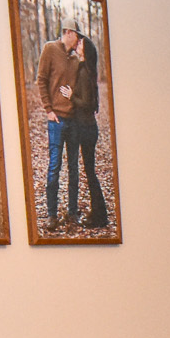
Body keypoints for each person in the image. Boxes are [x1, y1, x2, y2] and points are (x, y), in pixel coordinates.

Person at [63, 33, 110, 229]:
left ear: (86, 50)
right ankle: (98, 212)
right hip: (86, 127)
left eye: (81, 43)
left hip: (87, 128)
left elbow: (88, 104)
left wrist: (72, 96)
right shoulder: (85, 69)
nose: (78, 43)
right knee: (90, 172)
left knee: (90, 173)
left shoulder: (85, 73)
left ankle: (100, 216)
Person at [35, 24, 80, 226]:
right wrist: (48, 109)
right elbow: (41, 79)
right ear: (68, 33)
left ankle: (72, 212)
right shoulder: (50, 49)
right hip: (56, 120)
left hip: (74, 120)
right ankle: (52, 214)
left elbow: (81, 88)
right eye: (76, 36)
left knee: (73, 167)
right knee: (55, 166)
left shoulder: (77, 59)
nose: (78, 41)